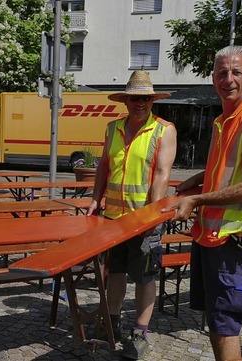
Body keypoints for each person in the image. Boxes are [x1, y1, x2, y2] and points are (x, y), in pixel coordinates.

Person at [163, 45, 242, 361]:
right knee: (216, 324)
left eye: (236, 72)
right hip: (210, 237)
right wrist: (197, 179)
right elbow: (228, 167)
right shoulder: (223, 121)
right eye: (222, 72)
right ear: (213, 78)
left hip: (234, 241)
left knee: (226, 326)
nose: (228, 79)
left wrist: (198, 199)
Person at [86, 70, 177, 359]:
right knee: (116, 273)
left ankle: (140, 332)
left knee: (145, 276)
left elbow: (162, 173)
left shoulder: (164, 130)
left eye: (146, 99)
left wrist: (154, 214)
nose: (141, 104)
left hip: (144, 219)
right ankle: (111, 324)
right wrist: (95, 198)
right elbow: (103, 165)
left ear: (152, 101)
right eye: (135, 98)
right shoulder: (112, 128)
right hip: (114, 217)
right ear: (126, 100)